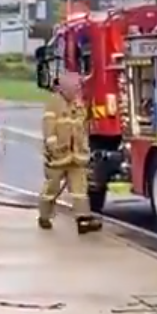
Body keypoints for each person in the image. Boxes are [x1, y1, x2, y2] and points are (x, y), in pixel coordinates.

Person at [39, 71, 101, 234]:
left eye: (78, 87)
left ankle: (83, 220)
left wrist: (84, 149)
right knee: (51, 189)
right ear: (64, 88)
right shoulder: (53, 104)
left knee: (80, 190)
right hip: (58, 157)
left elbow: (82, 127)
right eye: (75, 87)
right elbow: (49, 129)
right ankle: (45, 216)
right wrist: (53, 148)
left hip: (76, 157)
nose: (77, 90)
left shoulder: (78, 103)